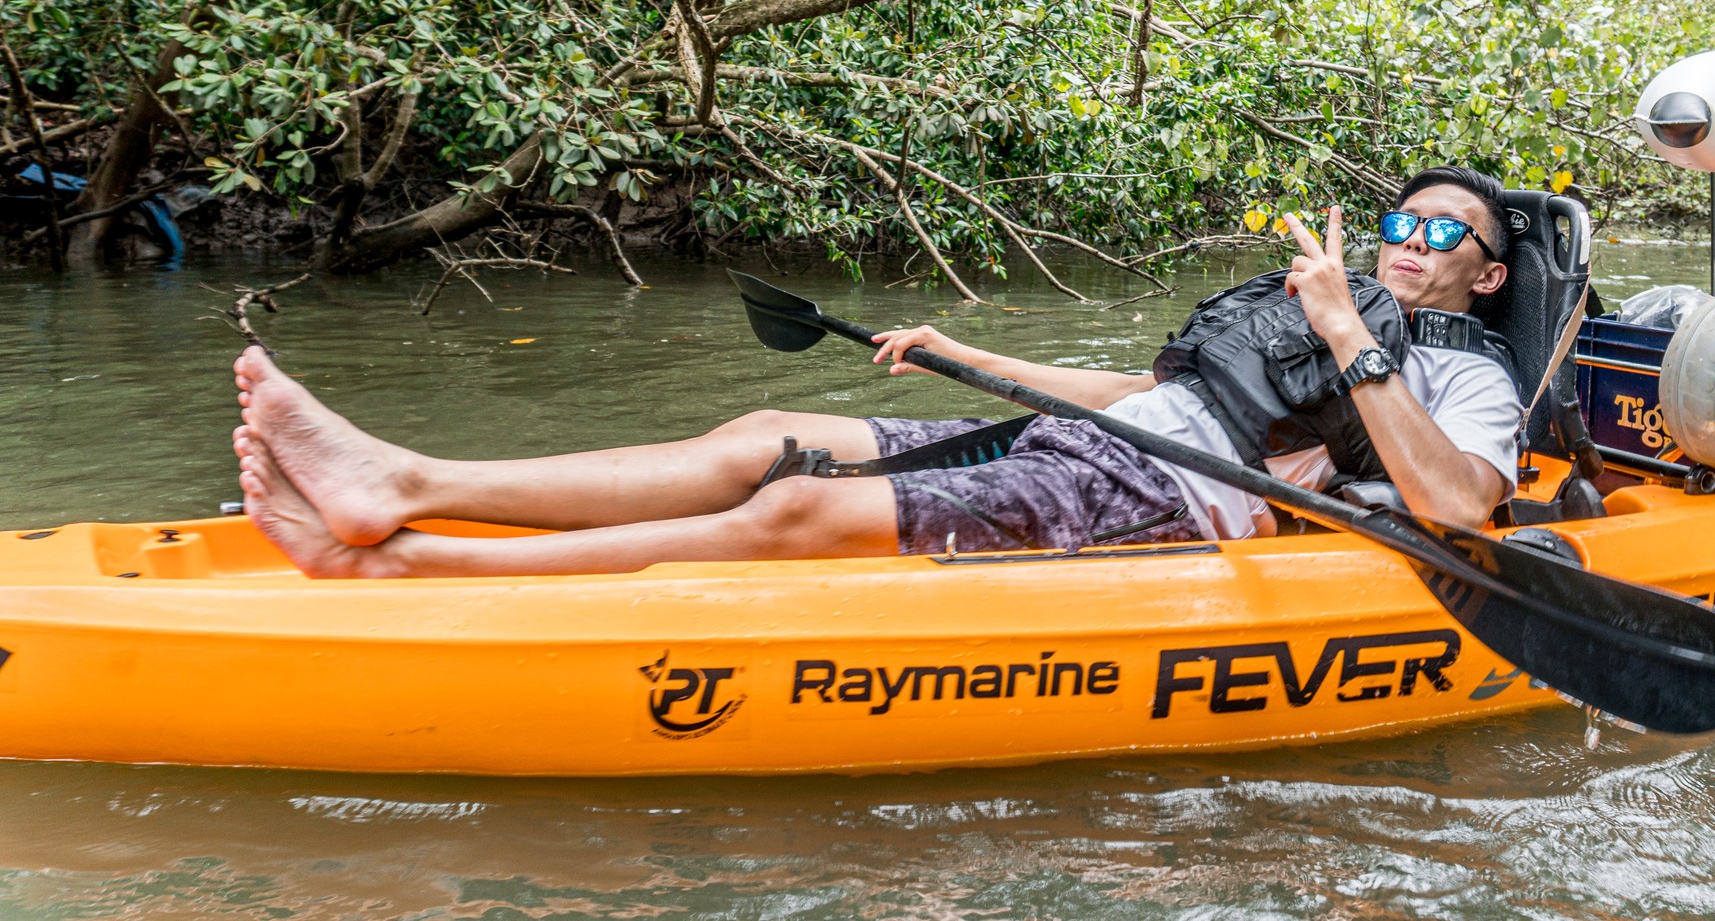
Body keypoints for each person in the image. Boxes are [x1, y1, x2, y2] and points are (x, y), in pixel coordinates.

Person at [234, 166, 1522, 579]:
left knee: (798, 507)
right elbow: (1152, 398)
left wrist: (1348, 331)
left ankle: (403, 564)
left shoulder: (1469, 376)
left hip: (1172, 502)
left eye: (1444, 233)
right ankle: (407, 477)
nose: (1411, 242)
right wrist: (969, 356)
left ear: (1489, 274)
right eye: (1398, 221)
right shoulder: (1303, 306)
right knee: (765, 434)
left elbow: (1459, 505)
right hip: (1104, 446)